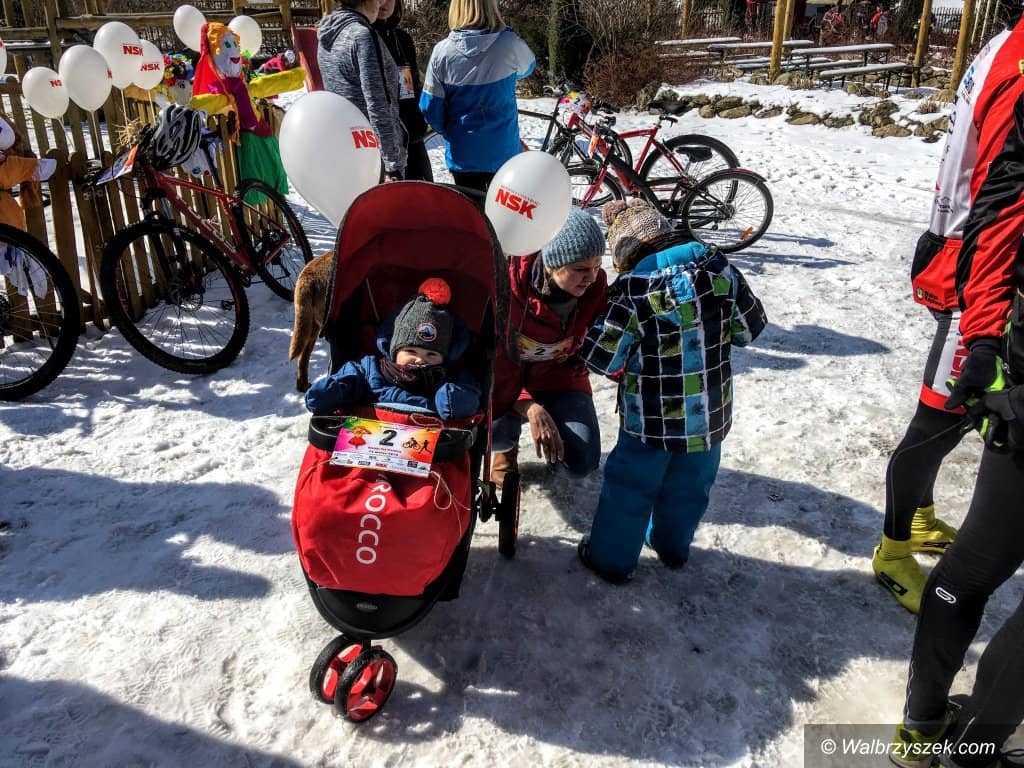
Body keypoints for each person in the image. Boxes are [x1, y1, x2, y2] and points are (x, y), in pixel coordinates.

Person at [889, 13, 1024, 768]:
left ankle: (930, 730)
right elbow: (1002, 195)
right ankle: (893, 545)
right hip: (979, 287)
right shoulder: (1016, 58)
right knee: (934, 423)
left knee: (973, 560)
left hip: (982, 289)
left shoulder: (1005, 46)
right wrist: (983, 332)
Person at [576, 200, 767, 584]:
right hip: (709, 416)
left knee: (630, 488)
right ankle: (671, 547)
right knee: (690, 488)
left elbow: (602, 358)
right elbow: (750, 328)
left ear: (626, 257)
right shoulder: (720, 269)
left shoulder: (632, 291)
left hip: (650, 421)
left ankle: (611, 561)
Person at [490, 207, 608, 487]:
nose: (592, 277)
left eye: (597, 266)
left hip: (559, 379)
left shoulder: (595, 286)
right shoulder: (506, 285)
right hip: (506, 383)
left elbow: (603, 339)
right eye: (581, 269)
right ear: (552, 263)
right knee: (496, 435)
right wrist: (529, 406)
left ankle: (555, 450)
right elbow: (493, 361)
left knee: (581, 462)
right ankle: (506, 450)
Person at [304, 278, 480, 419]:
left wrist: (454, 401)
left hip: (427, 444)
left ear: (444, 357)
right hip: (365, 439)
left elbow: (469, 397)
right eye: (411, 351)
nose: (420, 359)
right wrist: (331, 393)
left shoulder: (449, 379)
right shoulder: (370, 370)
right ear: (394, 350)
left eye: (431, 354)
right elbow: (348, 381)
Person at [419, 0, 535, 194]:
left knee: (470, 209)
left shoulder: (442, 52)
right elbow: (528, 67)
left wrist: (449, 130)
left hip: (463, 155)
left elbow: (429, 108)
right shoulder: (510, 44)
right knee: (502, 209)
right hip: (504, 152)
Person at [318, 0, 407, 181]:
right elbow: (378, 104)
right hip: (372, 154)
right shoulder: (363, 36)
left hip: (347, 145)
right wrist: (392, 165)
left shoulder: (328, 32)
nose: (381, 3)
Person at [374, 0, 433, 182]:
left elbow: (412, 85)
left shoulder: (402, 39)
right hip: (381, 144)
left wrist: (418, 121)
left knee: (425, 192)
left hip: (411, 136)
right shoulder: (364, 38)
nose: (384, 3)